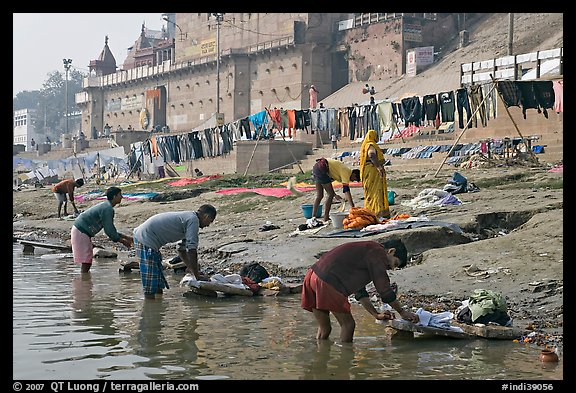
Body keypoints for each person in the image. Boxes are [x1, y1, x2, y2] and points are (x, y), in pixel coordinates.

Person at [301, 239, 419, 343]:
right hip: (328, 281)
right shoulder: (377, 252)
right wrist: (402, 312)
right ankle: (346, 362)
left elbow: (360, 292)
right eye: (395, 263)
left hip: (313, 276)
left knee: (325, 329)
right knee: (348, 325)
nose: (391, 268)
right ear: (391, 251)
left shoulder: (366, 253)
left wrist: (376, 314)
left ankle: (320, 358)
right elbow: (384, 290)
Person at [132, 204, 217, 299]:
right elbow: (192, 251)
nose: (208, 225)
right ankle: (151, 308)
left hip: (146, 237)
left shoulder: (189, 219)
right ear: (206, 217)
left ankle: (156, 304)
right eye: (210, 221)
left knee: (157, 281)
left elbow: (181, 249)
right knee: (150, 284)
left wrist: (193, 270)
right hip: (145, 238)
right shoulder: (193, 221)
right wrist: (197, 276)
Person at [71, 186, 133, 273]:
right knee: (86, 261)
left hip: (81, 230)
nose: (122, 197)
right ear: (114, 197)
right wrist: (122, 241)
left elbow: (110, 229)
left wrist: (127, 238)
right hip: (81, 231)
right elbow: (109, 230)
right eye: (120, 195)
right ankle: (84, 281)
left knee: (87, 260)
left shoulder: (106, 206)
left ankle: (84, 280)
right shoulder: (107, 209)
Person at [311, 158, 360, 223]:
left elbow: (329, 182)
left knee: (319, 195)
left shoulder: (342, 171)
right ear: (354, 174)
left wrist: (335, 195)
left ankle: (313, 217)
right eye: (355, 179)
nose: (353, 181)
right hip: (322, 168)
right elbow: (346, 190)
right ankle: (326, 217)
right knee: (330, 195)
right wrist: (353, 207)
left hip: (317, 168)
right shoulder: (346, 172)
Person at [360, 129, 390, 219]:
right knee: (375, 192)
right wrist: (378, 167)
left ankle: (373, 212)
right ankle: (376, 213)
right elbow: (371, 154)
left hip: (369, 171)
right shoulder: (370, 145)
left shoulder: (366, 145)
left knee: (372, 192)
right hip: (372, 171)